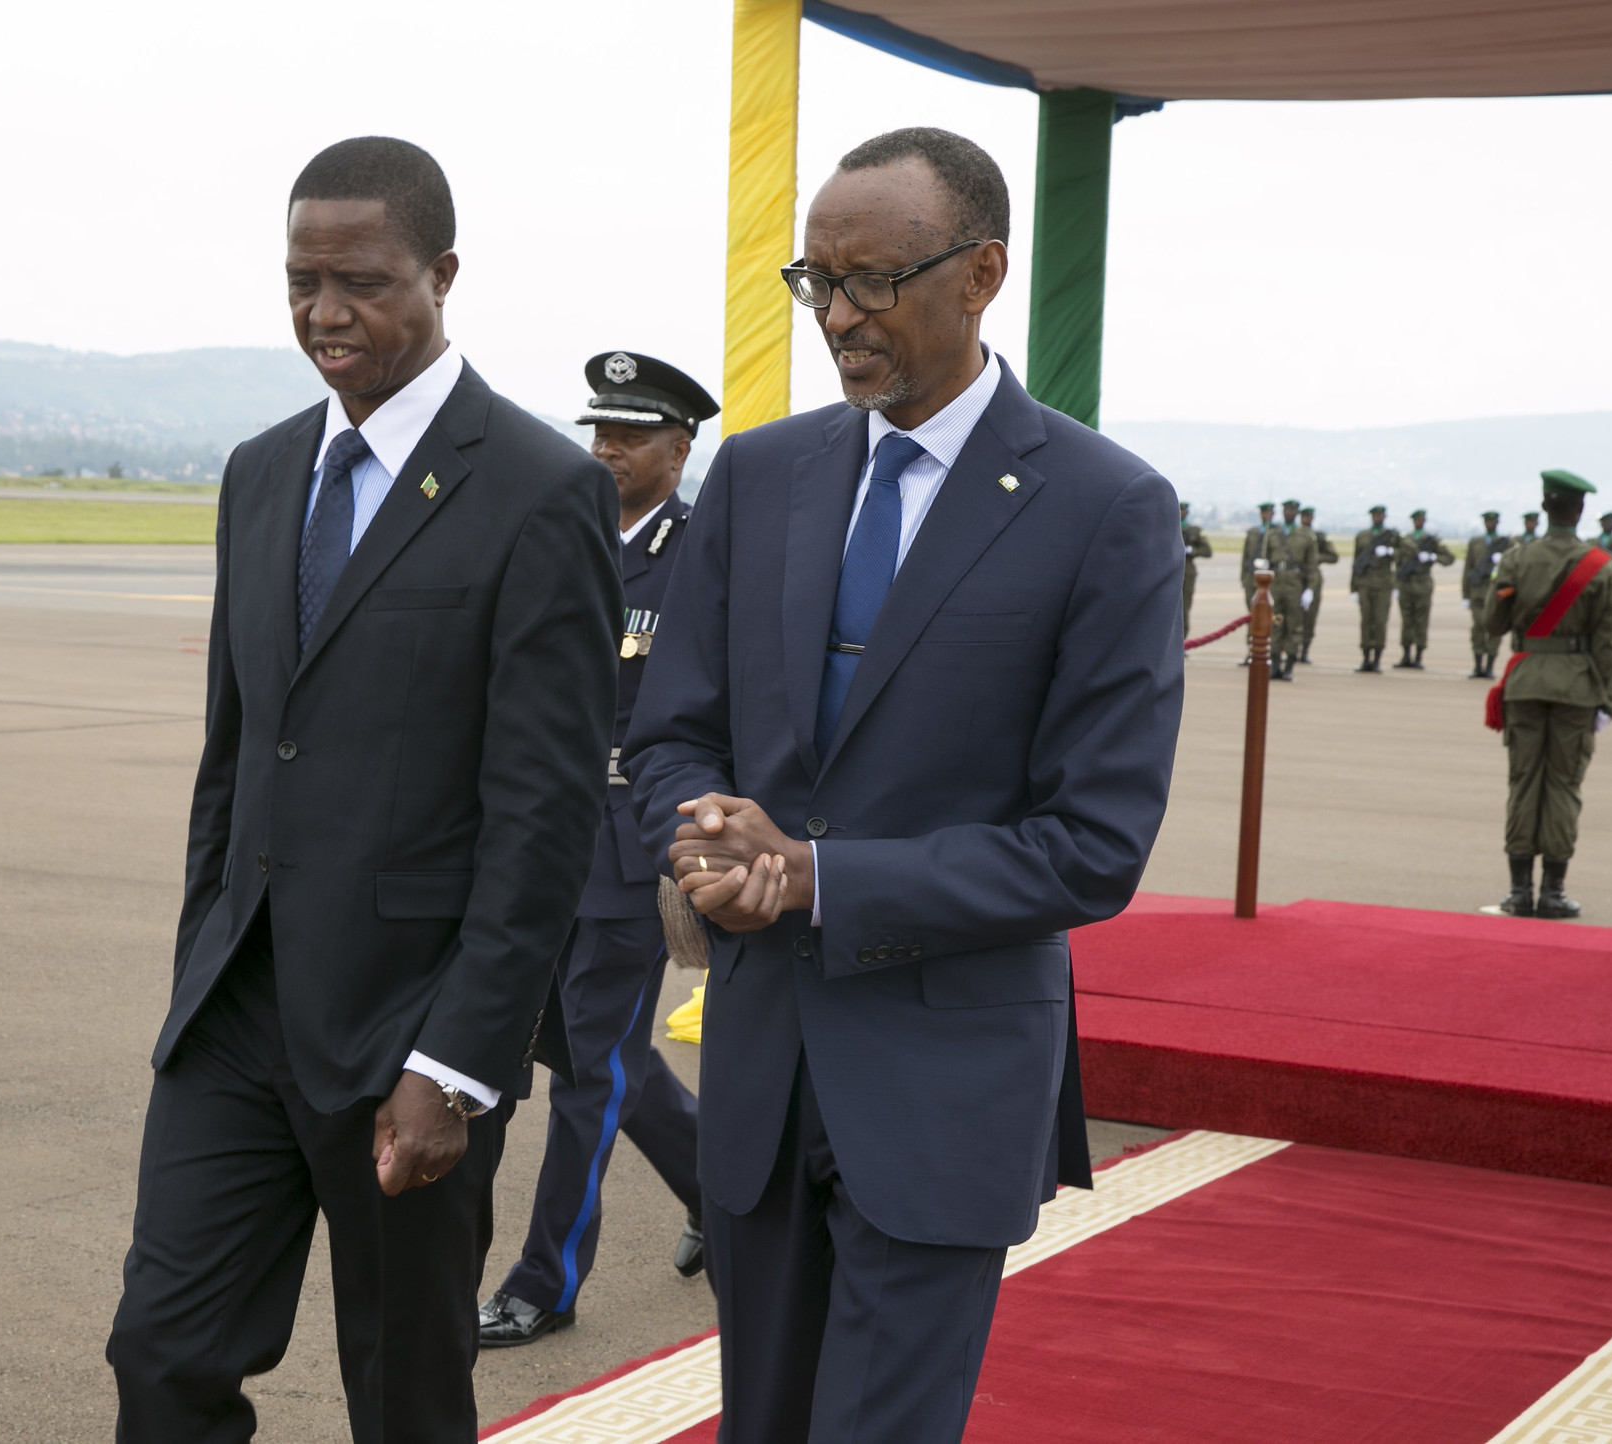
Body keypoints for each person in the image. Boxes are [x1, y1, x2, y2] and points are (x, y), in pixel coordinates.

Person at [623, 126, 1182, 1444]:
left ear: (981, 273)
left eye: (870, 280)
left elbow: (1088, 846)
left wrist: (813, 879)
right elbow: (668, 733)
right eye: (812, 279)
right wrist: (702, 838)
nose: (835, 315)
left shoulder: (1102, 509)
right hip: (760, 1080)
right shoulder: (759, 477)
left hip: (940, 1091)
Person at [105, 136, 622, 1444]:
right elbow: (235, 753)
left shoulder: (540, 489)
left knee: (401, 1392)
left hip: (408, 1028)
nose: (324, 313)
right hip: (238, 1012)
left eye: (362, 281)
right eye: (299, 280)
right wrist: (195, 966)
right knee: (162, 1356)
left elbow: (544, 816)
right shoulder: (262, 470)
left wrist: (456, 1063)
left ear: (442, 274)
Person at [478, 352, 714, 1348]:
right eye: (599, 431)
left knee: (588, 1075)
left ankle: (545, 1282)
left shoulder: (699, 553)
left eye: (630, 434)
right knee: (594, 1054)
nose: (606, 449)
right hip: (541, 839)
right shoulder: (560, 531)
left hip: (628, 847)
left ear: (680, 446)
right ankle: (720, 1190)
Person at [1485, 470, 1612, 919]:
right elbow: (1608, 642)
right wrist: (1606, 700)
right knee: (1563, 785)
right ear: (1579, 511)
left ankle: (1519, 891)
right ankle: (1554, 893)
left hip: (1525, 683)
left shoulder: (1516, 559)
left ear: (1545, 507)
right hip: (1577, 688)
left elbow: (1494, 624)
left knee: (1524, 783)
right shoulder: (1600, 565)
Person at [1392, 508, 1456, 669]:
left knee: (1421, 621)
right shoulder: (1405, 540)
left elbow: (1449, 558)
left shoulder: (1430, 541)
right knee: (1406, 621)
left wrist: (1433, 557)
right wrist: (1396, 584)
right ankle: (1406, 655)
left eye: (1421, 519)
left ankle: (1418, 656)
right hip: (1406, 584)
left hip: (1422, 585)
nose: (1418, 522)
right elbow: (1398, 561)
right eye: (1416, 520)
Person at [1264, 498, 1320, 681]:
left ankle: (1289, 666)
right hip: (1276, 582)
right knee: (1274, 624)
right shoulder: (1272, 534)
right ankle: (1275, 664)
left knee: (1294, 626)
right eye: (1286, 510)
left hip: (1295, 584)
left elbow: (1312, 566)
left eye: (1292, 510)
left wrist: (1310, 589)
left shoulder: (1306, 536)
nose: (1289, 513)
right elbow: (1264, 562)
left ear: (1296, 513)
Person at [1463, 511, 1513, 679]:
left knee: (1494, 629)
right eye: (1487, 521)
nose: (1489, 523)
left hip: (1496, 592)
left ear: (1497, 522)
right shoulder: (1475, 542)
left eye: (1492, 521)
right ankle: (1477, 666)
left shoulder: (1505, 544)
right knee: (1478, 627)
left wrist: (1503, 559)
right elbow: (1468, 569)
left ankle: (1489, 666)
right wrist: (1465, 594)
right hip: (1477, 592)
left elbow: (1512, 568)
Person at [1351, 505, 1400, 673]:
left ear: (1384, 517)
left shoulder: (1391, 537)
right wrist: (1354, 588)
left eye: (1380, 515)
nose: (1377, 518)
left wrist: (1390, 551)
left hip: (1383, 585)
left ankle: (1377, 659)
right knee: (1366, 622)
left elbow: (1406, 553)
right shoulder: (1363, 536)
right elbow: (1356, 563)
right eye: (1374, 515)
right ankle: (1365, 658)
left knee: (1380, 621)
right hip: (1365, 584)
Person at [1239, 501, 1277, 665]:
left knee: (1267, 617)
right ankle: (1251, 651)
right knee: (1252, 616)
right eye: (1263, 512)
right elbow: (1246, 556)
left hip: (1268, 581)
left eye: (1268, 512)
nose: (1265, 515)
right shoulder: (1253, 533)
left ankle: (1268, 651)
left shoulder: (1277, 533)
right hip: (1251, 578)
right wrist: (1243, 578)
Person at [1300, 505, 1338, 663]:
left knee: (1310, 617)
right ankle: (1290, 651)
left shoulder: (1319, 537)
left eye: (1309, 517)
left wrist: (1316, 558)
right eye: (1304, 516)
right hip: (1296, 579)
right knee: (1292, 617)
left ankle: (1304, 651)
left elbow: (1333, 556)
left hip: (1313, 579)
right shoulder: (1292, 536)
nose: (1306, 519)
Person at [1180, 501, 1212, 637]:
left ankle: (1183, 641)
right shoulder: (1167, 527)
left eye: (1183, 510)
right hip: (1170, 571)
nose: (1180, 513)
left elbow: (1207, 551)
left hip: (1187, 571)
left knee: (1184, 608)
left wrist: (1192, 551)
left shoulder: (1193, 531)